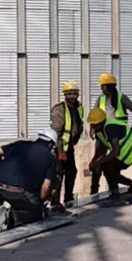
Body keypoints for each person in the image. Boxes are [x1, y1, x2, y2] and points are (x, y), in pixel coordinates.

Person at [0, 128, 58, 232]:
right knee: (36, 214)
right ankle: (10, 217)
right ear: (51, 145)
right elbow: (45, 189)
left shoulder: (20, 144)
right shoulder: (50, 158)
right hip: (19, 191)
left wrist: (1, 169)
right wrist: (39, 203)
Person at [90, 73, 132, 195]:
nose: (101, 89)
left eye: (102, 86)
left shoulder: (121, 98)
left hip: (118, 137)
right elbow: (94, 114)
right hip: (103, 135)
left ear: (107, 86)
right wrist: (92, 128)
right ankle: (94, 190)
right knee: (97, 161)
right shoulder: (100, 99)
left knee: (111, 164)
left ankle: (115, 188)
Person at [86, 107, 132, 204]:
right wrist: (94, 161)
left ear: (102, 121)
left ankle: (116, 196)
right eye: (93, 124)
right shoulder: (99, 130)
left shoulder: (111, 128)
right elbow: (102, 148)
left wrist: (99, 161)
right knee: (108, 169)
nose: (94, 126)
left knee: (108, 168)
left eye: (96, 124)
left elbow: (115, 151)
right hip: (123, 153)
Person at [49, 80, 84, 212]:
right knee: (58, 174)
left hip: (69, 146)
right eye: (69, 94)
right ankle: (55, 202)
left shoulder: (79, 107)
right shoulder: (60, 109)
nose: (72, 96)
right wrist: (60, 151)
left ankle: (68, 198)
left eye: (74, 94)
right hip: (59, 147)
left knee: (71, 171)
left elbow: (79, 125)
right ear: (65, 95)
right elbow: (56, 132)